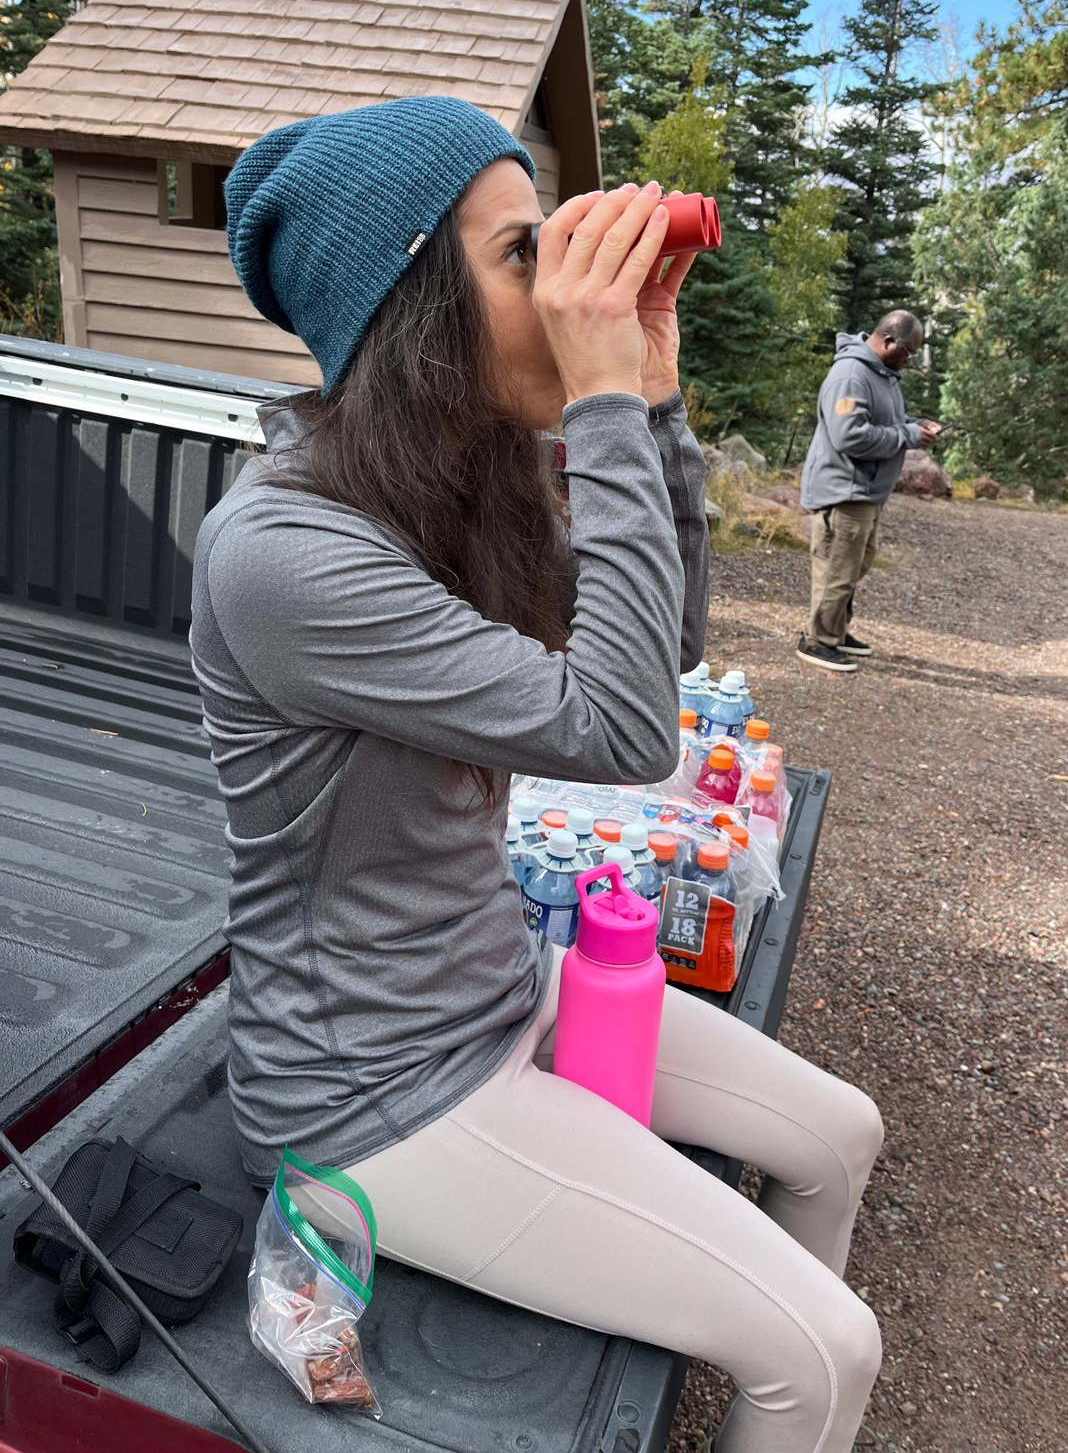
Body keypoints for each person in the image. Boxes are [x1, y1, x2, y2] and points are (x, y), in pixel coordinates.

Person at [190, 96, 883, 1453]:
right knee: (825, 1350)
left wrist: (654, 402)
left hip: (499, 984)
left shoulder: (440, 491)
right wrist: (605, 399)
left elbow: (660, 651)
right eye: (526, 253)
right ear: (411, 308)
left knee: (841, 1133)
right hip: (371, 1094)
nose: (574, 282)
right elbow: (624, 733)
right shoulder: (281, 553)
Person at [798, 310, 941, 671]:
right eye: (908, 352)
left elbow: (881, 422)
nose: (910, 360)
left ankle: (834, 630)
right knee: (837, 570)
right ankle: (817, 640)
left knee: (853, 566)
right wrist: (908, 435)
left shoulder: (882, 374)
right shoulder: (851, 374)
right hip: (844, 491)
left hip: (866, 492)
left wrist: (914, 425)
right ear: (888, 341)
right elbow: (849, 436)